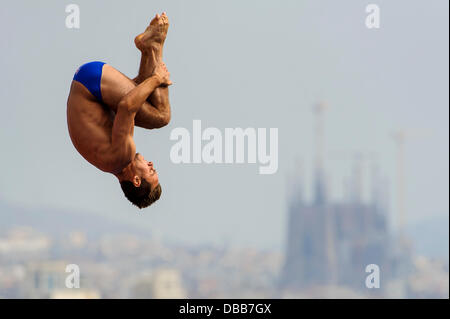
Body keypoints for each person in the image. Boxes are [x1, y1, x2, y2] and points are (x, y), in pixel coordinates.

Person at [67, 12, 171, 208]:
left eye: (151, 171)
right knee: (147, 98)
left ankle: (155, 45)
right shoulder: (110, 163)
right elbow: (130, 103)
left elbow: (127, 106)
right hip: (90, 87)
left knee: (162, 116)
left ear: (137, 181)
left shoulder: (122, 156)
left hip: (91, 82)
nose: (151, 164)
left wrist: (158, 78)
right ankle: (148, 46)